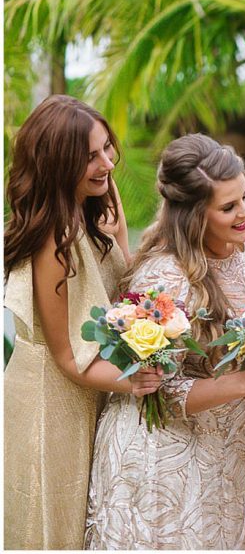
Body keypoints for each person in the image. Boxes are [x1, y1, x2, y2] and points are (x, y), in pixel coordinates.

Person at [84, 134, 245, 549]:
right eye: (228, 207)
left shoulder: (241, 249)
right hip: (163, 462)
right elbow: (162, 391)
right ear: (194, 216)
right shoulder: (166, 277)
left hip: (222, 455)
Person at [3, 95, 158, 549]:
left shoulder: (98, 208)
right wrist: (138, 382)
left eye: (107, 147)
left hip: (94, 390)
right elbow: (67, 357)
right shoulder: (52, 242)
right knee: (54, 529)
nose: (107, 163)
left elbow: (125, 296)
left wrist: (124, 239)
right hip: (50, 405)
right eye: (90, 156)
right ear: (58, 162)